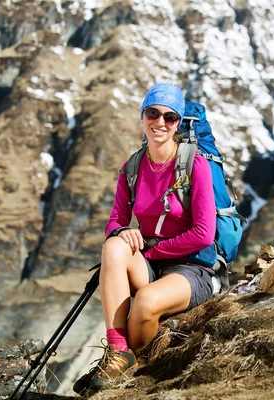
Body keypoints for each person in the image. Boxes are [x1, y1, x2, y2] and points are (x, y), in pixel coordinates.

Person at [74, 82, 216, 394]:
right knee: (114, 246)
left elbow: (204, 234)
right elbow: (114, 221)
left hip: (190, 270)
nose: (160, 123)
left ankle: (138, 365)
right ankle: (118, 350)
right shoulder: (133, 167)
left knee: (147, 302)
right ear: (142, 116)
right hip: (150, 264)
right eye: (153, 113)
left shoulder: (195, 166)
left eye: (170, 117)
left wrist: (152, 253)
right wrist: (123, 231)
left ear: (178, 124)